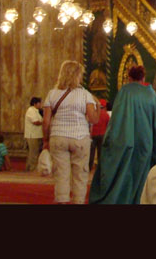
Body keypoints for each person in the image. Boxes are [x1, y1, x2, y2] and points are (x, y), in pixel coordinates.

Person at [90, 65, 156, 204]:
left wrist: (109, 142)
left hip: (123, 144)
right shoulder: (151, 95)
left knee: (122, 179)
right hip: (145, 145)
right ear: (143, 78)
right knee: (141, 180)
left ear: (129, 78)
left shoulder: (124, 92)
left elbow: (115, 122)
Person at [44, 59, 100, 203]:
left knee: (61, 174)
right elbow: (93, 119)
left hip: (58, 136)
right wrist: (98, 107)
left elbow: (46, 122)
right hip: (80, 137)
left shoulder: (52, 94)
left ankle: (62, 201)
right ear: (77, 75)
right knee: (80, 174)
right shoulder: (85, 94)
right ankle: (78, 201)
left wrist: (45, 140)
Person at [23, 97, 44, 171]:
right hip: (32, 135)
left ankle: (29, 168)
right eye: (40, 103)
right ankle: (32, 168)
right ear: (35, 103)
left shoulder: (37, 111)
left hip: (37, 135)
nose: (41, 104)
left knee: (33, 153)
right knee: (33, 153)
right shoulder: (31, 110)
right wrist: (45, 122)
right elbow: (35, 122)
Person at [89, 99, 110, 170]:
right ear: (104, 106)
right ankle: (100, 168)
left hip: (93, 135)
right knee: (101, 152)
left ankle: (90, 166)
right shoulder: (106, 115)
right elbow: (108, 126)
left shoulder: (94, 113)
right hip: (102, 135)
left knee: (91, 152)